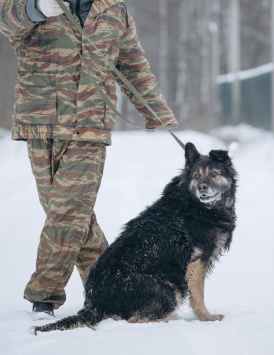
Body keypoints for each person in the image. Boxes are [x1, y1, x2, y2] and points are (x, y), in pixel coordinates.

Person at [0, 0, 177, 317]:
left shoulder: (114, 9)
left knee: (68, 210)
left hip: (90, 124)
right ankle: (117, 289)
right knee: (69, 214)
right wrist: (36, 9)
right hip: (39, 119)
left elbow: (132, 64)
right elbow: (5, 21)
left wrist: (156, 111)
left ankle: (44, 294)